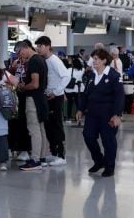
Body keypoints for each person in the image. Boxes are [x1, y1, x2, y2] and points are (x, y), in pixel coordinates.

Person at [76, 49, 124, 178]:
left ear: (104, 60)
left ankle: (109, 167)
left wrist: (117, 115)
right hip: (92, 113)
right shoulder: (92, 75)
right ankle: (99, 160)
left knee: (108, 141)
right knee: (88, 136)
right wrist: (80, 109)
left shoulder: (114, 76)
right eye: (93, 59)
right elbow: (86, 94)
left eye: (96, 59)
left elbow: (119, 96)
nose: (94, 61)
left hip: (108, 115)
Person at [35, 36, 71, 166]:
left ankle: (62, 155)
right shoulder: (44, 60)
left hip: (56, 98)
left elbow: (66, 76)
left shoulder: (55, 60)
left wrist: (56, 92)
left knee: (56, 125)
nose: (38, 49)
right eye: (37, 47)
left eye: (40, 46)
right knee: (48, 126)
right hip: (48, 97)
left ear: (48, 46)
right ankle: (54, 153)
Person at [15, 41, 49, 171]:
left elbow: (35, 84)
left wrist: (23, 86)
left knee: (34, 129)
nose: (20, 55)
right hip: (41, 99)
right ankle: (42, 158)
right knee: (41, 129)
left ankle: (35, 159)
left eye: (19, 52)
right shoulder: (41, 59)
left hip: (33, 99)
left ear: (24, 48)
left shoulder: (34, 61)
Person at [65, 56, 85, 122]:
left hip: (70, 89)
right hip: (79, 89)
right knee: (78, 104)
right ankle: (78, 117)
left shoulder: (69, 70)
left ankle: (68, 117)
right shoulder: (82, 70)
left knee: (69, 104)